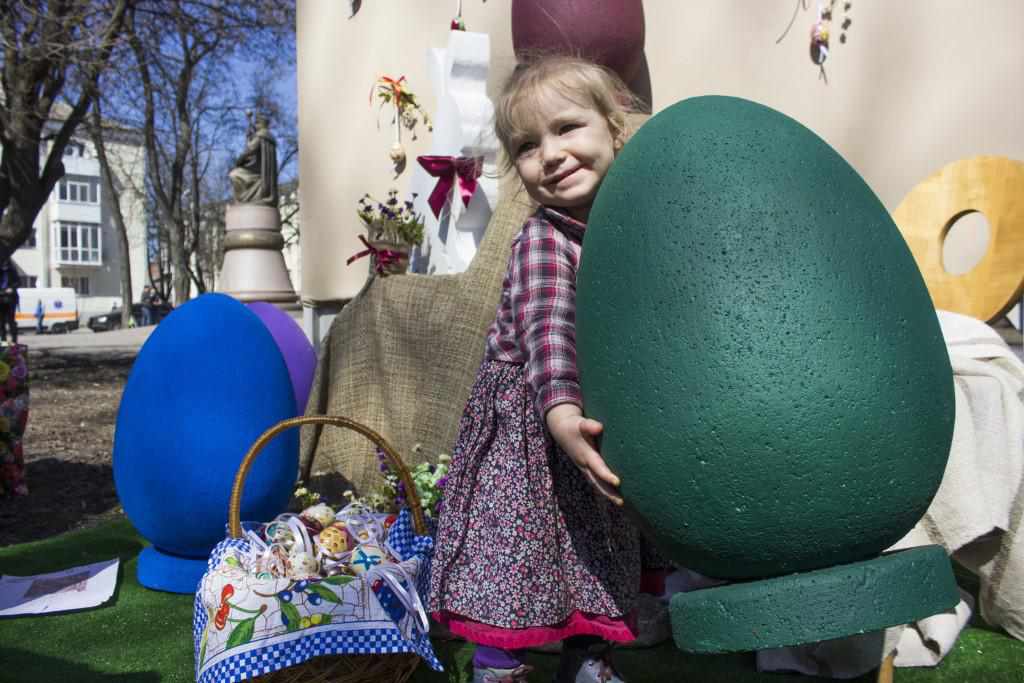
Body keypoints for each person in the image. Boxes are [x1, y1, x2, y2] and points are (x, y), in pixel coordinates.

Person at [428, 55, 657, 683]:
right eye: (527, 146)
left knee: (596, 547)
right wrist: (560, 411)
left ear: (614, 131)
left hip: (590, 416)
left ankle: (589, 658)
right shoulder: (544, 238)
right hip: (529, 429)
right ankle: (499, 662)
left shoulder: (625, 229)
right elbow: (549, 326)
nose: (550, 155)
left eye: (567, 128)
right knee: (515, 554)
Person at [228, 113, 279, 207]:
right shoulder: (269, 138)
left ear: (261, 124)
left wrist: (239, 161)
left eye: (257, 124)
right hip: (263, 173)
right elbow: (253, 153)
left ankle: (243, 198)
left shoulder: (261, 136)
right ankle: (246, 198)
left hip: (257, 173)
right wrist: (249, 138)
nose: (255, 126)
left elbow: (249, 150)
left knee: (234, 174)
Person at [0, 258, 20, 344]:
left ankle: (14, 341)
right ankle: (3, 340)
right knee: (1, 321)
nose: (4, 267)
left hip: (11, 298)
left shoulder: (12, 271)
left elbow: (18, 282)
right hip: (1, 298)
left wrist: (12, 288)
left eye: (6, 265)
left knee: (11, 320)